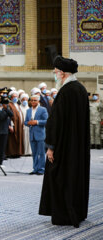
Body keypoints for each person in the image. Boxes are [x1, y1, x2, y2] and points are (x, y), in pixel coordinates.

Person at [39, 56, 90, 228]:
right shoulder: (81, 89)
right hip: (77, 147)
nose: (54, 74)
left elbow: (55, 122)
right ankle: (78, 211)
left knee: (60, 178)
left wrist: (51, 147)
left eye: (55, 71)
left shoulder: (65, 92)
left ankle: (64, 215)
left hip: (63, 147)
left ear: (62, 73)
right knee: (76, 178)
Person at [24, 95, 48, 174]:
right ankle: (35, 168)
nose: (33, 102)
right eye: (32, 100)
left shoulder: (42, 109)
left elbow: (47, 121)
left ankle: (41, 169)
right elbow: (25, 122)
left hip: (40, 134)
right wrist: (28, 123)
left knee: (41, 153)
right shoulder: (28, 110)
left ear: (38, 101)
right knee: (34, 153)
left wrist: (37, 122)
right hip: (32, 134)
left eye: (35, 100)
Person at [6, 90, 24, 158]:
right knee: (12, 139)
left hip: (19, 125)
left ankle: (17, 152)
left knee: (18, 138)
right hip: (14, 124)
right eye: (14, 97)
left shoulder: (17, 105)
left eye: (16, 96)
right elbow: (9, 116)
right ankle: (12, 153)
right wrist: (11, 125)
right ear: (10, 97)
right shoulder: (9, 105)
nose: (15, 98)